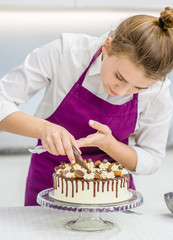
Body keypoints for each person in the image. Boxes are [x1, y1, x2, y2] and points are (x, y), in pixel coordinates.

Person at [0, 7, 173, 206]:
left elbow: (151, 157)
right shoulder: (67, 52)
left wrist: (109, 144)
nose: (122, 91)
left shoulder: (158, 91)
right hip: (49, 184)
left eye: (139, 87)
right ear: (107, 46)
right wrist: (44, 128)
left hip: (111, 197)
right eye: (119, 77)